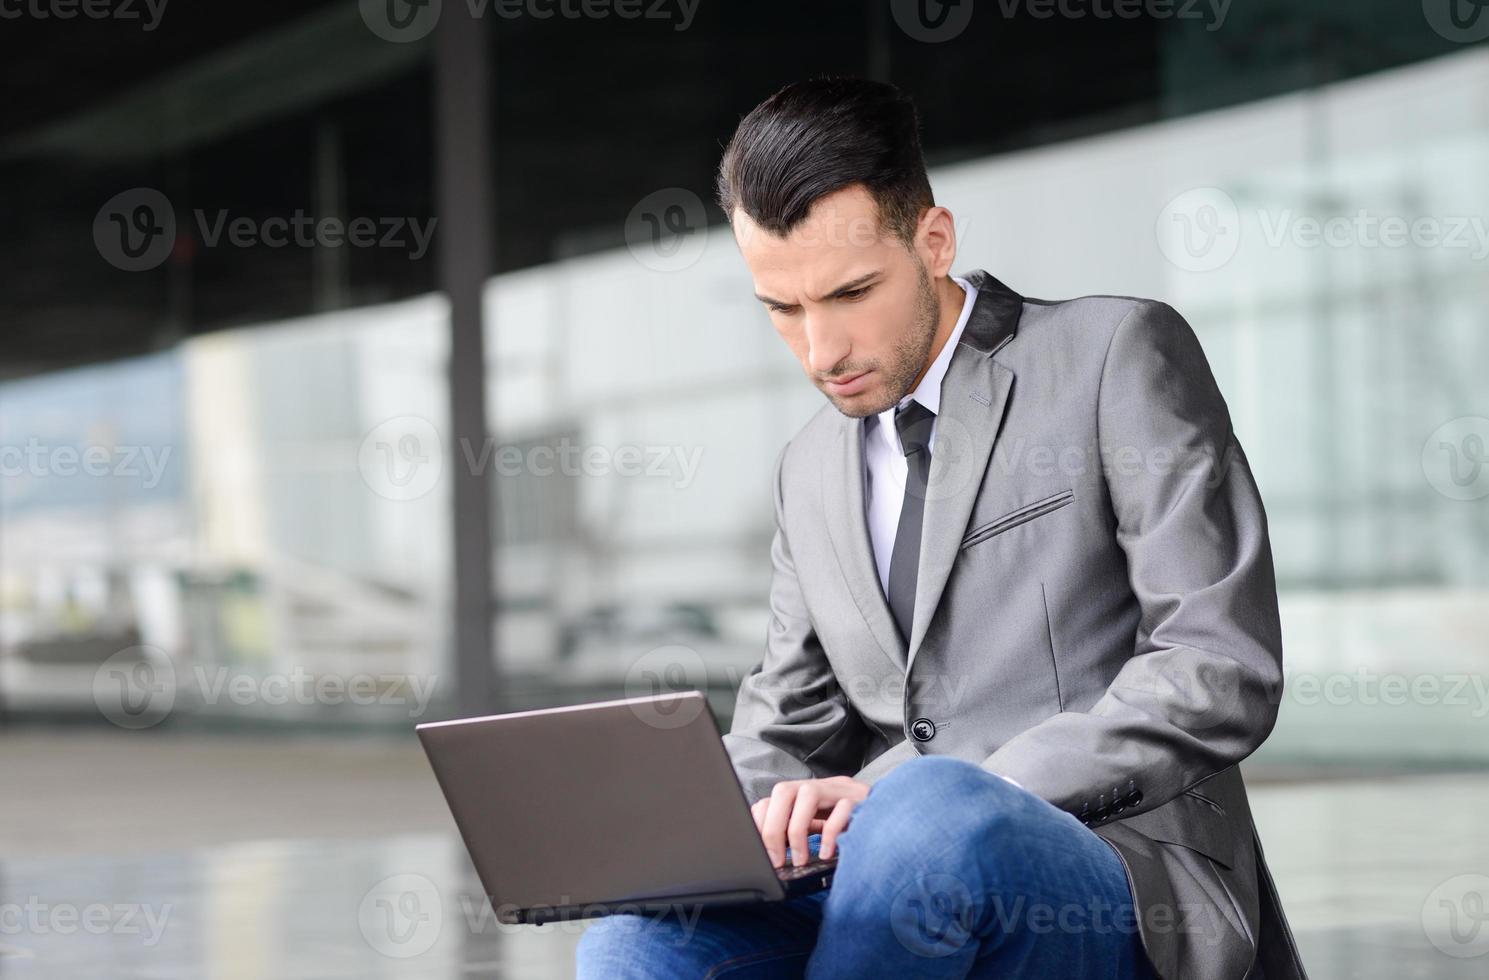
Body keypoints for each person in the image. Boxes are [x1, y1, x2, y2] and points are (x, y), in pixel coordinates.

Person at [577, 76, 1307, 980]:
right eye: (782, 308)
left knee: (926, 817)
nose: (820, 350)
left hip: (1117, 866)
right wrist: (684, 835)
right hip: (884, 874)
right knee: (634, 940)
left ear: (933, 241)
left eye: (849, 294)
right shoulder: (808, 468)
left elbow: (1217, 664)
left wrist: (957, 794)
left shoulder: (1112, 356)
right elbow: (788, 729)